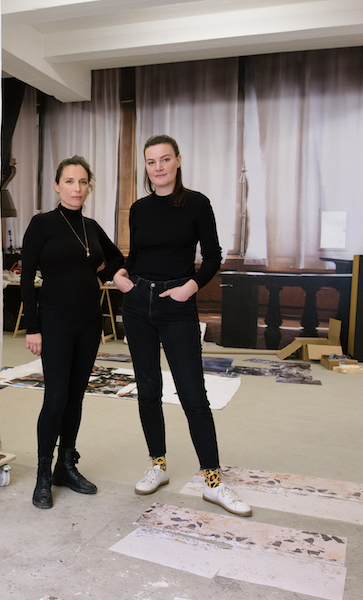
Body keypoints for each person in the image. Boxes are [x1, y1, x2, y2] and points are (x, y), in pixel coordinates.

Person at [112, 135, 252, 517]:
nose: (157, 167)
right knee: (147, 391)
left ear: (177, 162)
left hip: (177, 304)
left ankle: (213, 481)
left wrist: (189, 288)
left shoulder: (196, 203)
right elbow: (136, 256)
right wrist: (123, 273)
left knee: (193, 395)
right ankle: (157, 464)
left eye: (164, 159)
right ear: (146, 166)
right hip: (139, 303)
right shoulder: (138, 209)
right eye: (151, 161)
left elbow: (212, 256)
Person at [21, 156, 124, 509]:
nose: (76, 188)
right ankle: (43, 475)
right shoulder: (42, 224)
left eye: (82, 182)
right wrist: (33, 327)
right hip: (55, 321)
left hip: (89, 323)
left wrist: (100, 277)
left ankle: (67, 465)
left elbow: (117, 258)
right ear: (57, 185)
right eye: (69, 181)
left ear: (88, 186)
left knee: (76, 397)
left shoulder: (92, 227)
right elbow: (25, 277)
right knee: (56, 398)